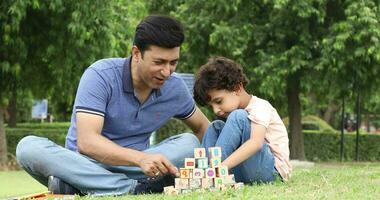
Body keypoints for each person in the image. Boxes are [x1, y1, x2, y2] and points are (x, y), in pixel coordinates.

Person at [16, 15, 210, 196]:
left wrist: (220, 167)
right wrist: (139, 159)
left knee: (190, 144)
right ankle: (133, 189)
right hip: (85, 164)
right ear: (136, 53)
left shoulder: (174, 87)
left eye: (173, 63)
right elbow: (87, 142)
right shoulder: (100, 75)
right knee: (28, 147)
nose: (167, 72)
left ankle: (81, 186)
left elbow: (203, 127)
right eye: (159, 62)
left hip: (137, 167)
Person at [193, 56, 291, 183]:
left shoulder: (260, 106)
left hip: (272, 171)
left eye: (219, 101)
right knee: (215, 126)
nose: (216, 110)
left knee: (238, 116)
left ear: (237, 88)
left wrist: (221, 167)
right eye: (212, 106)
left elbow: (256, 143)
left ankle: (213, 172)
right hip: (245, 170)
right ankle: (204, 171)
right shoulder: (235, 116)